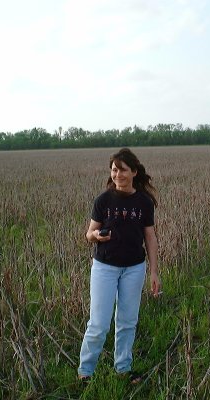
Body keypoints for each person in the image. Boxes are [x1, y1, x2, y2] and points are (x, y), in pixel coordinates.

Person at [78, 148, 160, 384]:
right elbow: (89, 234)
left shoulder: (144, 202)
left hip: (134, 268)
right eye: (114, 170)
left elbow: (150, 237)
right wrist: (96, 237)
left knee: (127, 322)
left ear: (134, 172)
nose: (117, 175)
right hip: (104, 267)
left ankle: (123, 368)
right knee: (99, 323)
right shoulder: (103, 200)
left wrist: (154, 272)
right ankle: (86, 371)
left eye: (122, 170)